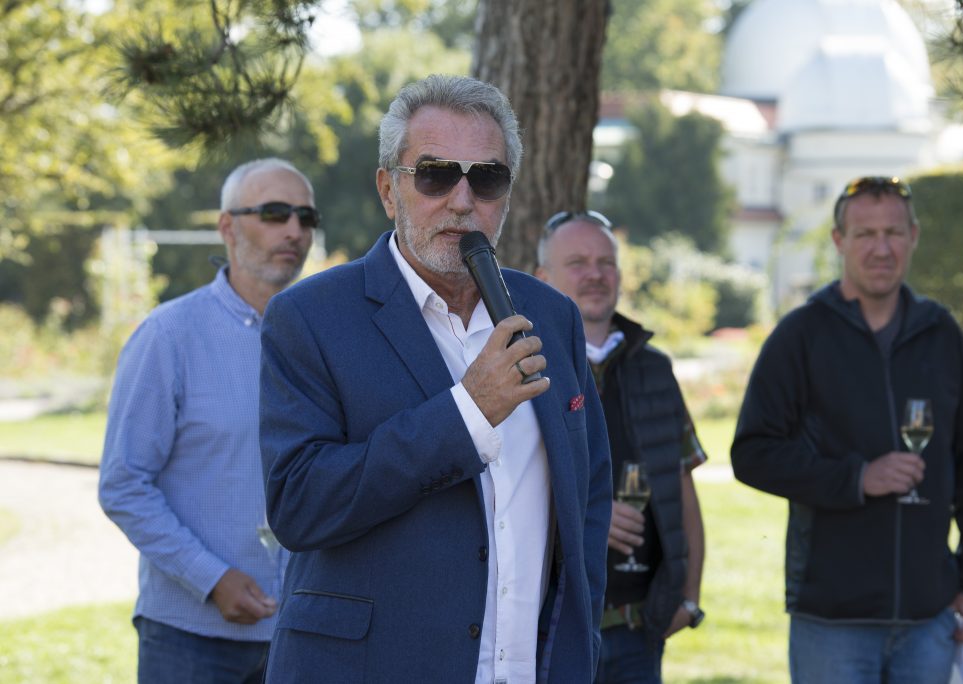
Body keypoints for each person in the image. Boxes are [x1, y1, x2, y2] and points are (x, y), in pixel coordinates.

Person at [258, 74, 612, 683]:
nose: (462, 199)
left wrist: (579, 647)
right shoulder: (310, 317)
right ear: (388, 190)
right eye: (435, 174)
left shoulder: (552, 316)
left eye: (487, 178)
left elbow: (589, 496)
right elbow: (299, 505)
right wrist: (467, 413)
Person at [731, 175, 963, 683]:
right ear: (839, 241)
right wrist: (856, 478)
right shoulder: (801, 335)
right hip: (832, 620)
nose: (882, 248)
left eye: (893, 233)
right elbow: (752, 454)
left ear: (913, 236)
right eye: (865, 234)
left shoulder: (942, 335)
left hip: (929, 617)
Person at [98, 158, 317, 683]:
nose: (294, 230)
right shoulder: (167, 337)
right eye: (275, 213)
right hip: (189, 640)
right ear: (227, 226)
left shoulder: (324, 339)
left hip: (303, 634)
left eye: (306, 217)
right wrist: (212, 578)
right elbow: (123, 484)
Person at [536, 211, 707, 684]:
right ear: (542, 278)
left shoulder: (654, 369)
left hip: (639, 628)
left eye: (606, 263)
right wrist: (589, 513)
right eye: (577, 263)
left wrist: (689, 599)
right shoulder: (521, 363)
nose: (595, 274)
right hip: (549, 628)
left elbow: (682, 488)